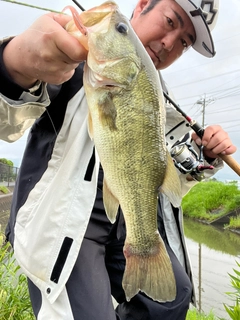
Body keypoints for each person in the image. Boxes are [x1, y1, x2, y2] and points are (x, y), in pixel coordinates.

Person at [0, 0, 236, 319]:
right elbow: (8, 119)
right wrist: (15, 64)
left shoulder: (159, 98)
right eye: (170, 21)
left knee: (171, 297)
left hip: (122, 222)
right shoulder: (72, 63)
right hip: (60, 223)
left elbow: (164, 182)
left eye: (184, 42)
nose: (169, 44)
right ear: (142, 6)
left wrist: (203, 156)